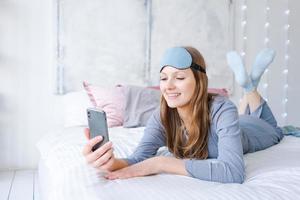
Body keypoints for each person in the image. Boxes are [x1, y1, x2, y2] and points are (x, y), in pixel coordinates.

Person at [82, 46, 283, 183]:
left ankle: (250, 88)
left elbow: (233, 172)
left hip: (257, 129)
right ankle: (249, 86)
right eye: (163, 78)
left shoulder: (222, 108)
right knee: (244, 112)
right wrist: (111, 163)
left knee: (275, 129)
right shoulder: (162, 116)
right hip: (235, 122)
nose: (168, 86)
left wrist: (161, 163)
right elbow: (139, 159)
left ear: (199, 81)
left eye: (179, 77)